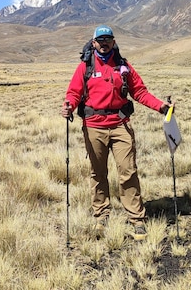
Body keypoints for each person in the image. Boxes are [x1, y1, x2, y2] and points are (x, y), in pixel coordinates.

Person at [61, 25, 172, 241]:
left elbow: (139, 91)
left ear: (113, 42)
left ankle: (136, 220)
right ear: (93, 43)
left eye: (108, 40)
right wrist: (68, 106)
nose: (104, 43)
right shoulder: (85, 67)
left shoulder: (123, 66)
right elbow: (74, 93)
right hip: (94, 126)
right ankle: (101, 216)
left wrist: (161, 107)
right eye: (100, 40)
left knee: (128, 171)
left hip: (120, 125)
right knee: (98, 172)